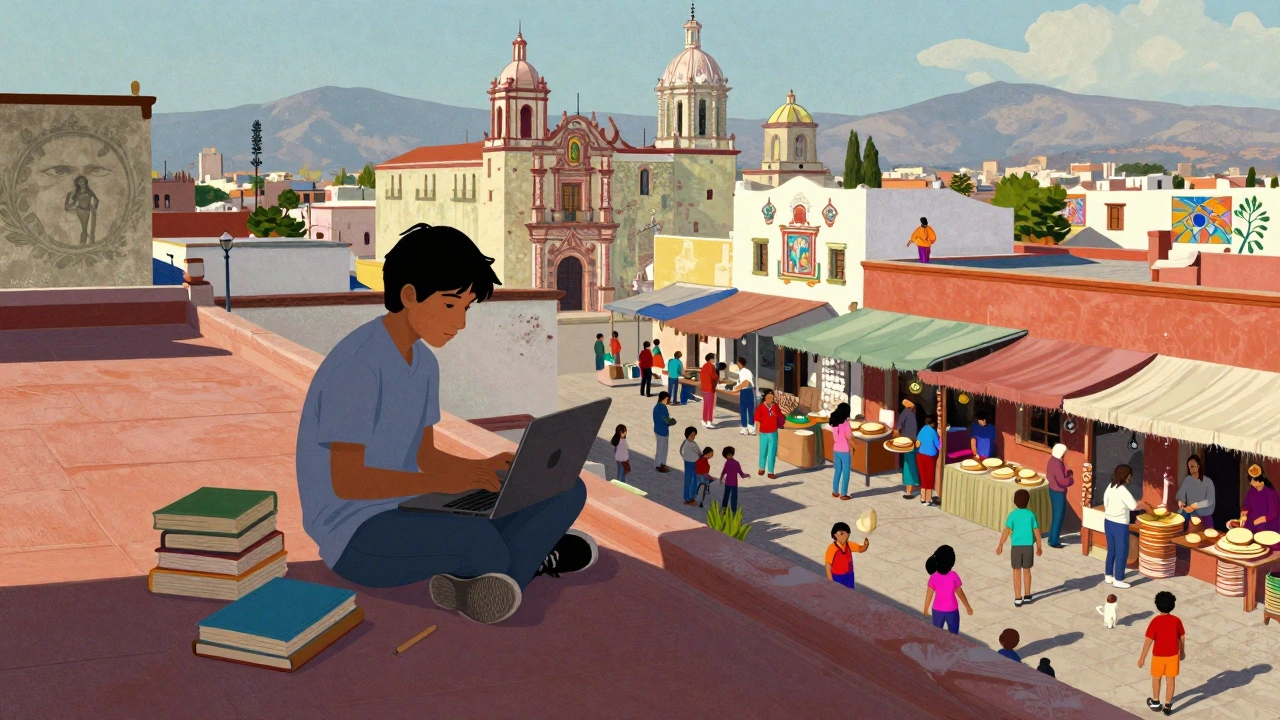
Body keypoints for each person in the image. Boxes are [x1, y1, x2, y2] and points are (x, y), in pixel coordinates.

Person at [297, 223, 597, 626]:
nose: (460, 323)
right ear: (408, 295)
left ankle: (493, 574)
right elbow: (348, 482)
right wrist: (447, 485)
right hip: (355, 534)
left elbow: (425, 456)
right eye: (451, 305)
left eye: (466, 308)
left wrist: (481, 468)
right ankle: (519, 562)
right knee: (480, 542)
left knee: (566, 489)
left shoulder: (422, 364)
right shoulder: (357, 367)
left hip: (410, 508)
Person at [1104, 464, 1151, 589]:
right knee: (1122, 551)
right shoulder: (1123, 491)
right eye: (1130, 476)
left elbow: (1105, 502)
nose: (1130, 478)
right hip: (1119, 524)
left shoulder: (1110, 486)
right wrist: (1145, 506)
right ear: (1126, 476)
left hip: (1108, 522)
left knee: (1111, 550)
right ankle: (1118, 579)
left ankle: (1108, 575)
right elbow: (1134, 506)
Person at [1139, 591, 1185, 716]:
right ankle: (1168, 705)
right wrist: (1182, 652)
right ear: (1172, 605)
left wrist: (1142, 657)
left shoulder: (1155, 621)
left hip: (1158, 657)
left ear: (1157, 605)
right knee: (1170, 681)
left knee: (1156, 678)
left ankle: (1155, 702)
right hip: (1173, 656)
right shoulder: (1176, 621)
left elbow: (1148, 641)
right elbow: (1181, 637)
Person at [996, 489, 1043, 607]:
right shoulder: (1031, 515)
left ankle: (1017, 597)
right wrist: (1039, 545)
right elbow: (1036, 531)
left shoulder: (1012, 515)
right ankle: (1027, 595)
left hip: (1016, 547)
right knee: (1027, 570)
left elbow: (1007, 531)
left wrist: (1000, 544)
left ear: (1015, 501)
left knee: (1016, 571)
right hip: (1028, 547)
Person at [923, 545, 972, 634]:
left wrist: (926, 609)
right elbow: (960, 593)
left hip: (937, 610)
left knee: (936, 634)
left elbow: (929, 595)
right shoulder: (954, 576)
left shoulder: (933, 577)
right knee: (954, 635)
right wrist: (967, 607)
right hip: (952, 610)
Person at [1236, 464, 1280, 533]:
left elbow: (1273, 513)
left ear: (1259, 480)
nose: (1251, 483)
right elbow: (1246, 505)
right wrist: (1243, 515)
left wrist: (1256, 522)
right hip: (1252, 524)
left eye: (1253, 481)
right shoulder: (1252, 490)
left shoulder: (1271, 492)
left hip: (1267, 526)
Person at [1176, 454, 1216, 529]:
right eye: (1189, 466)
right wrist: (1181, 501)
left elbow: (1210, 501)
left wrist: (1196, 505)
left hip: (1204, 515)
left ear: (1198, 466)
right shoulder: (1187, 480)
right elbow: (1181, 494)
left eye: (1192, 466)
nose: (1190, 468)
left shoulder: (1208, 482)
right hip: (1189, 514)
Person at [825, 521, 868, 590]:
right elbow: (828, 565)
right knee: (839, 594)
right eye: (842, 533)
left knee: (850, 593)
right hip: (838, 576)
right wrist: (830, 580)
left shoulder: (849, 544)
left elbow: (860, 549)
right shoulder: (832, 548)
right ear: (835, 535)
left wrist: (866, 544)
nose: (845, 535)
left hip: (849, 574)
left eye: (847, 533)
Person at [1046, 443, 1074, 548]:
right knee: (1059, 516)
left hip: (1053, 490)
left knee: (1056, 516)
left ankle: (1053, 537)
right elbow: (1062, 481)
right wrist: (1070, 479)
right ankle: (1053, 541)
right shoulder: (1056, 464)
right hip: (1058, 492)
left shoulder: (1052, 461)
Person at [754, 389, 786, 479]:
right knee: (763, 451)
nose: (770, 398)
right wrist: (757, 431)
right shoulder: (760, 407)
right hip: (763, 433)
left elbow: (780, 417)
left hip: (773, 432)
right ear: (765, 397)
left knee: (772, 452)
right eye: (768, 396)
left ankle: (770, 471)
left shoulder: (775, 407)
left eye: (772, 396)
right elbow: (757, 420)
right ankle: (761, 468)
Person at [895, 398, 920, 500]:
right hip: (909, 442)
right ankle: (910, 488)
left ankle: (911, 487)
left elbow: (898, 427)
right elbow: (899, 427)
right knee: (909, 464)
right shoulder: (907, 413)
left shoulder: (906, 413)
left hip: (909, 442)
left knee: (910, 464)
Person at [829, 402, 854, 500]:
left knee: (837, 471)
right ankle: (844, 493)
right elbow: (849, 437)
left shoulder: (834, 422)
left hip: (836, 449)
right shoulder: (846, 424)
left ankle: (835, 491)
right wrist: (855, 446)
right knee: (846, 472)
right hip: (845, 451)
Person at [916, 414, 942, 506]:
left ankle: (923, 498)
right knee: (930, 477)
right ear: (933, 423)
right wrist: (941, 437)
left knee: (923, 477)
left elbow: (918, 442)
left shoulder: (922, 430)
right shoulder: (933, 432)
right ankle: (928, 499)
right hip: (929, 457)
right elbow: (939, 446)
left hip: (920, 456)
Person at [729, 357, 755, 435]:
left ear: (740, 364)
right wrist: (736, 387)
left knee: (747, 410)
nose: (737, 364)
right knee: (745, 410)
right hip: (745, 391)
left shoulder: (745, 372)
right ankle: (745, 428)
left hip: (747, 391)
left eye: (737, 363)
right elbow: (740, 383)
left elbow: (746, 382)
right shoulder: (742, 372)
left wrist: (737, 388)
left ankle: (749, 428)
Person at [719, 446, 748, 512]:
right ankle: (732, 511)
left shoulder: (728, 463)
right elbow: (741, 474)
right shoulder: (736, 463)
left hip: (728, 483)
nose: (729, 456)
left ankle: (725, 509)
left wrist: (721, 477)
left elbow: (724, 471)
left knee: (727, 496)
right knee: (733, 497)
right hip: (733, 483)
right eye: (728, 455)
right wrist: (746, 475)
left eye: (729, 455)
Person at [680, 426, 702, 506]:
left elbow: (699, 451)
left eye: (694, 435)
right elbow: (682, 451)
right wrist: (685, 458)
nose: (693, 437)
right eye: (692, 435)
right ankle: (687, 498)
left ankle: (692, 497)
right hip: (689, 463)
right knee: (688, 480)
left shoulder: (693, 443)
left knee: (695, 480)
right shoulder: (686, 443)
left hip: (695, 463)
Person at [653, 392, 673, 473]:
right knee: (662, 449)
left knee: (661, 448)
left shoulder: (657, 407)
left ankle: (662, 464)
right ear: (665, 398)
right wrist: (672, 421)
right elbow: (666, 419)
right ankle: (659, 465)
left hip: (659, 429)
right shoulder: (662, 408)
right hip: (662, 431)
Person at [699, 353, 719, 428]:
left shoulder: (704, 366)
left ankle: (704, 420)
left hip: (704, 388)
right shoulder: (711, 366)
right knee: (710, 405)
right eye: (714, 358)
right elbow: (713, 376)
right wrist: (717, 377)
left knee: (706, 405)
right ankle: (709, 422)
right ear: (711, 359)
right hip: (710, 388)